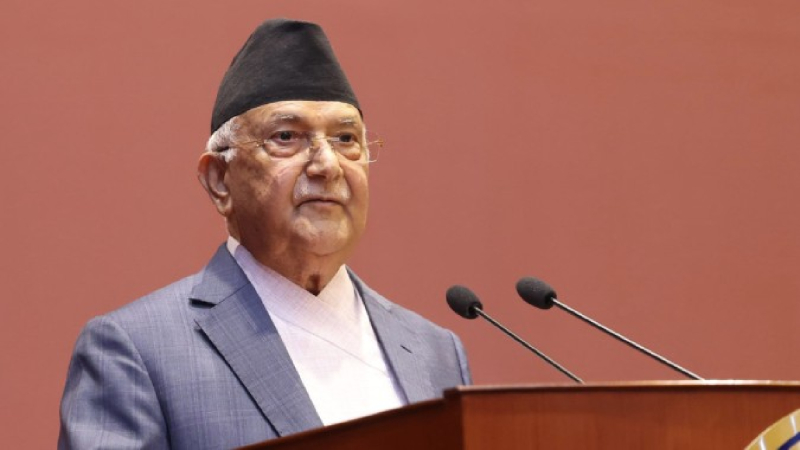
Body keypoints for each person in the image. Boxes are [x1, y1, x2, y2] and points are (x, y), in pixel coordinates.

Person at [58, 18, 471, 450]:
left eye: (346, 138)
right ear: (220, 179)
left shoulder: (436, 351)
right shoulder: (136, 351)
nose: (327, 165)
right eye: (286, 137)